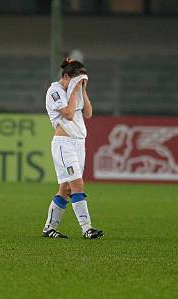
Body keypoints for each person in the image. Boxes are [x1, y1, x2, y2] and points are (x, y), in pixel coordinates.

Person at [42, 58, 104, 239]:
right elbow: (68, 115)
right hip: (64, 144)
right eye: (76, 80)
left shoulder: (75, 91)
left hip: (79, 143)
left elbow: (89, 113)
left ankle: (49, 228)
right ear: (66, 76)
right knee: (78, 185)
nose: (77, 84)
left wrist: (82, 89)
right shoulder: (55, 91)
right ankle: (87, 228)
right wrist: (75, 89)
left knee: (66, 190)